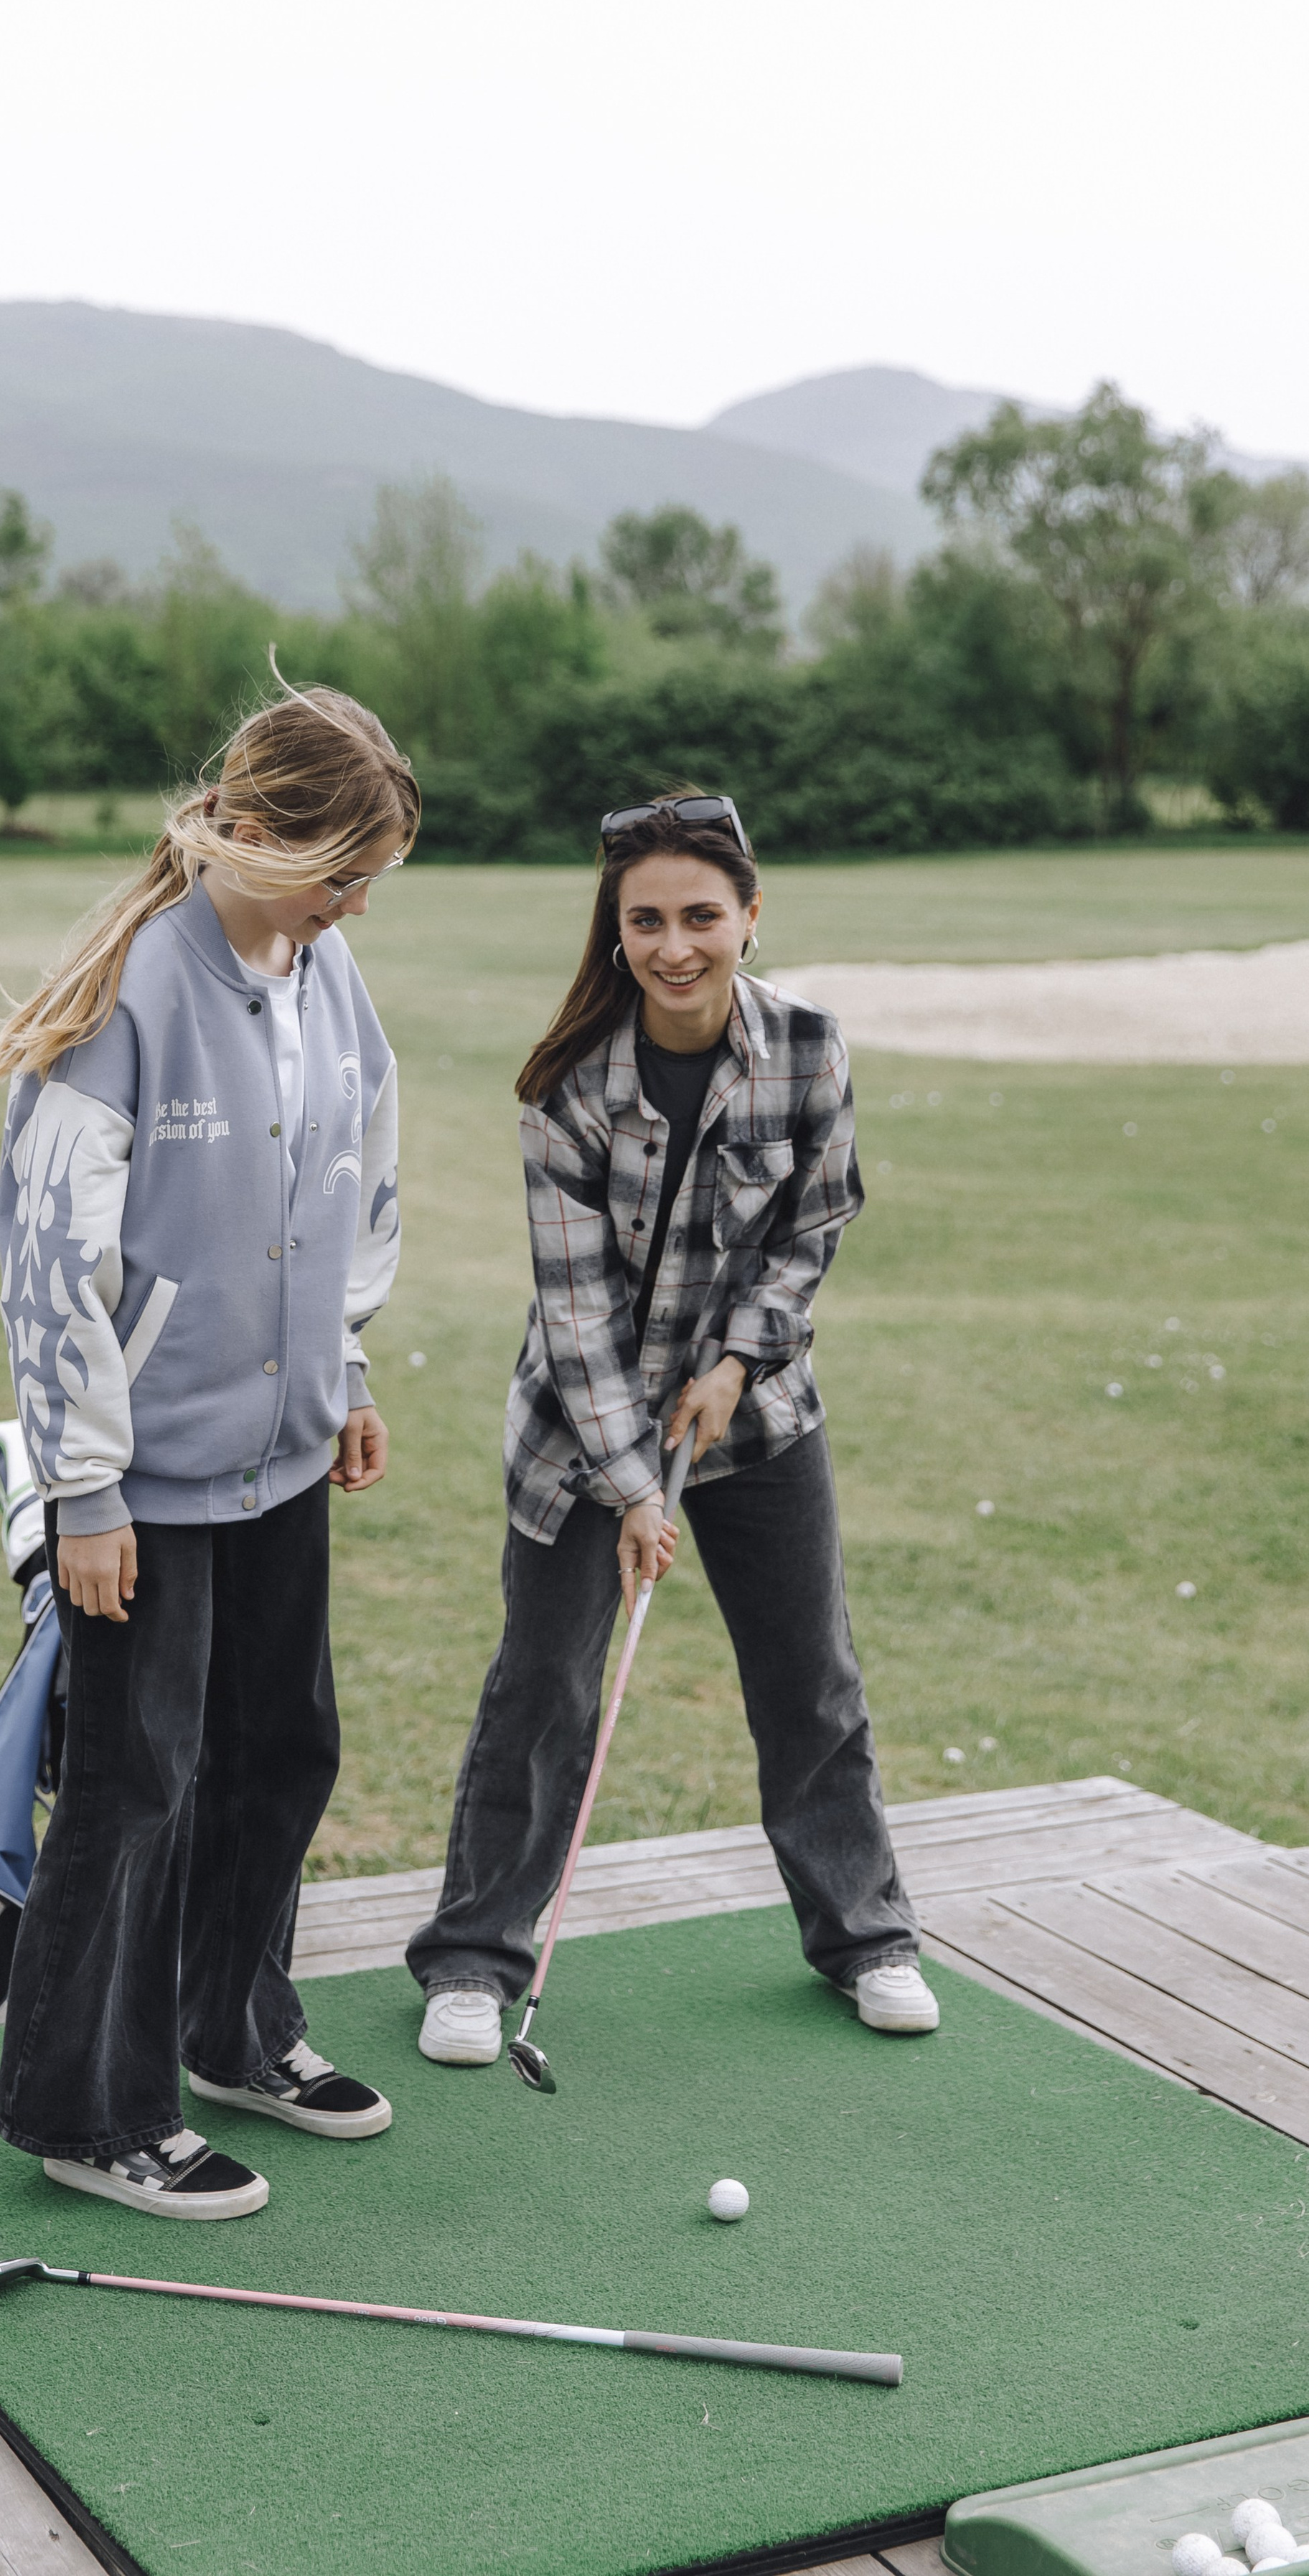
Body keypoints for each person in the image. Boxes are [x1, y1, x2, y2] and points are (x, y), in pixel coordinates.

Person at [406, 789, 936, 2063]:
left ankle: (867, 1937)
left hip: (758, 1422)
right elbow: (574, 1314)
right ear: (617, 931)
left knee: (811, 1682)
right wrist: (637, 1488)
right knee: (543, 1689)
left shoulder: (809, 1047)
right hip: (582, 1434)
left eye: (701, 916)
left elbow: (815, 1226)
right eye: (646, 921)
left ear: (751, 915)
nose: (674, 945)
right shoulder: (567, 1086)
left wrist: (742, 1360)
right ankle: (474, 1961)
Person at [0, 679, 420, 2218]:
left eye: (370, 879)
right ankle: (90, 2112)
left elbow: (359, 1170)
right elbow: (50, 1261)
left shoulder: (326, 969)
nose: (356, 904)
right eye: (340, 871)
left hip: (285, 1453)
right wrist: (84, 1487)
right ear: (256, 833)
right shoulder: (128, 993)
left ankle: (233, 2033)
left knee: (281, 1749)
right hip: (143, 1487)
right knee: (137, 1787)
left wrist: (345, 1367)